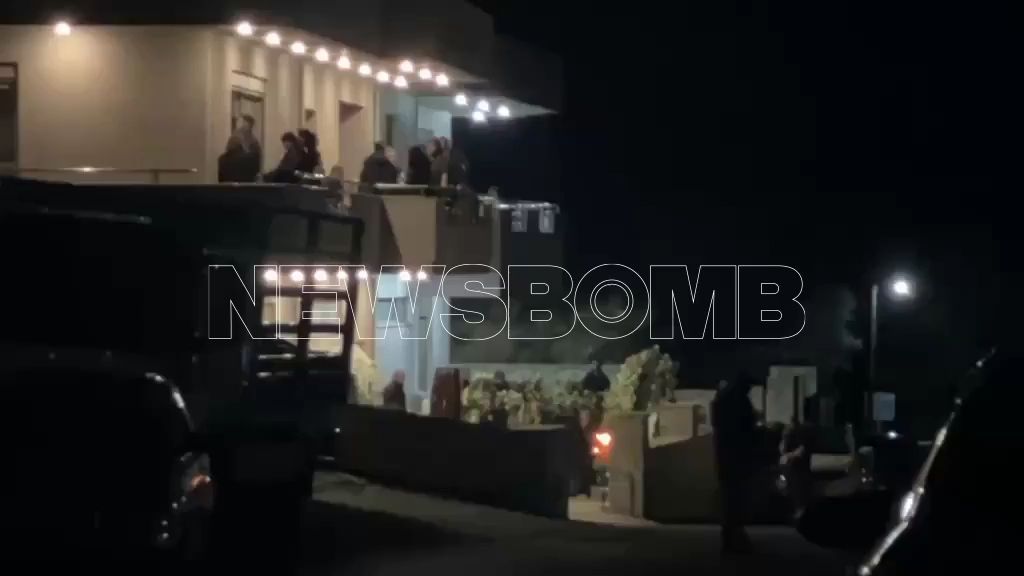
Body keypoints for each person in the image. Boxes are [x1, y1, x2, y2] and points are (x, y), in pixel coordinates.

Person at [711, 374, 758, 554]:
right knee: (736, 498)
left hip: (726, 457)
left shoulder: (722, 401)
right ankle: (734, 537)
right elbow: (748, 428)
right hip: (737, 457)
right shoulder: (739, 402)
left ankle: (730, 537)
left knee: (729, 498)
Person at [236, 114, 262, 182]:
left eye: (245, 123)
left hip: (248, 171)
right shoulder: (237, 137)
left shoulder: (253, 140)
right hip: (237, 169)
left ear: (250, 126)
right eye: (243, 123)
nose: (243, 125)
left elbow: (256, 157)